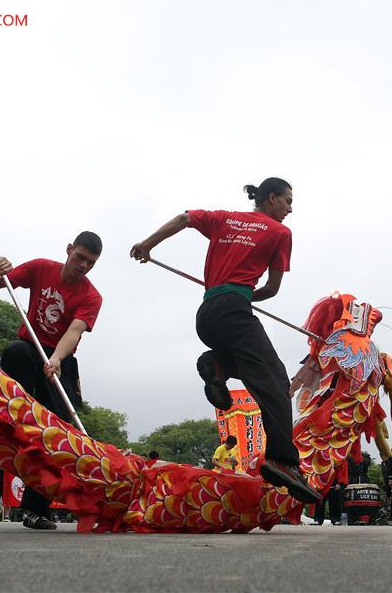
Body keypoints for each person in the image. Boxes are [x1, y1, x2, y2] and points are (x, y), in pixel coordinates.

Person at [130, 178, 318, 503]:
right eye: (287, 200)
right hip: (234, 310)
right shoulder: (280, 234)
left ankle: (218, 364)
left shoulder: (224, 218)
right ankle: (283, 461)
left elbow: (185, 218)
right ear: (271, 198)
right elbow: (272, 289)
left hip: (207, 314)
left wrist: (147, 245)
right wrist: (245, 295)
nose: (290, 208)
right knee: (275, 379)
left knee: (251, 368)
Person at [0, 232, 103, 530]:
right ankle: (20, 400)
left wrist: (57, 359)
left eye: (90, 263)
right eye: (79, 258)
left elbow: (74, 331)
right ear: (69, 250)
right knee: (14, 350)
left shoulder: (91, 296)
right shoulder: (40, 268)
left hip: (60, 359)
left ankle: (36, 509)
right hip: (29, 348)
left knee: (58, 432)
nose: (83, 266)